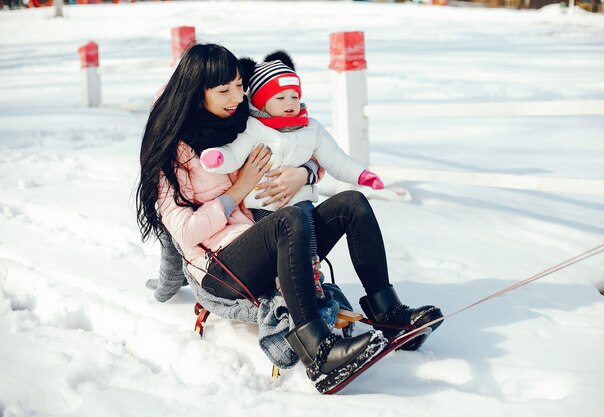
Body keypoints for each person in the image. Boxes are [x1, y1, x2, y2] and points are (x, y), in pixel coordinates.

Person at [136, 43, 443, 394]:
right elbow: (184, 233)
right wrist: (238, 192)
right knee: (291, 219)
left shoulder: (237, 121)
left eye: (240, 85)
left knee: (352, 204)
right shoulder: (169, 155)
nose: (238, 97)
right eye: (225, 90)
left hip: (267, 239)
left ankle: (387, 313)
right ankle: (317, 351)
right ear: (194, 94)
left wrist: (306, 173)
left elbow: (300, 144)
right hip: (221, 268)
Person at [199, 50, 384, 300]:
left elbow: (335, 158)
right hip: (264, 206)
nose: (290, 103)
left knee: (305, 221)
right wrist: (217, 158)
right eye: (280, 97)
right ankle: (289, 282)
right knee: (287, 229)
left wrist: (361, 175)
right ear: (262, 102)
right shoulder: (253, 129)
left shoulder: (311, 128)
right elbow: (234, 154)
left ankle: (324, 281)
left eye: (294, 96)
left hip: (300, 202)